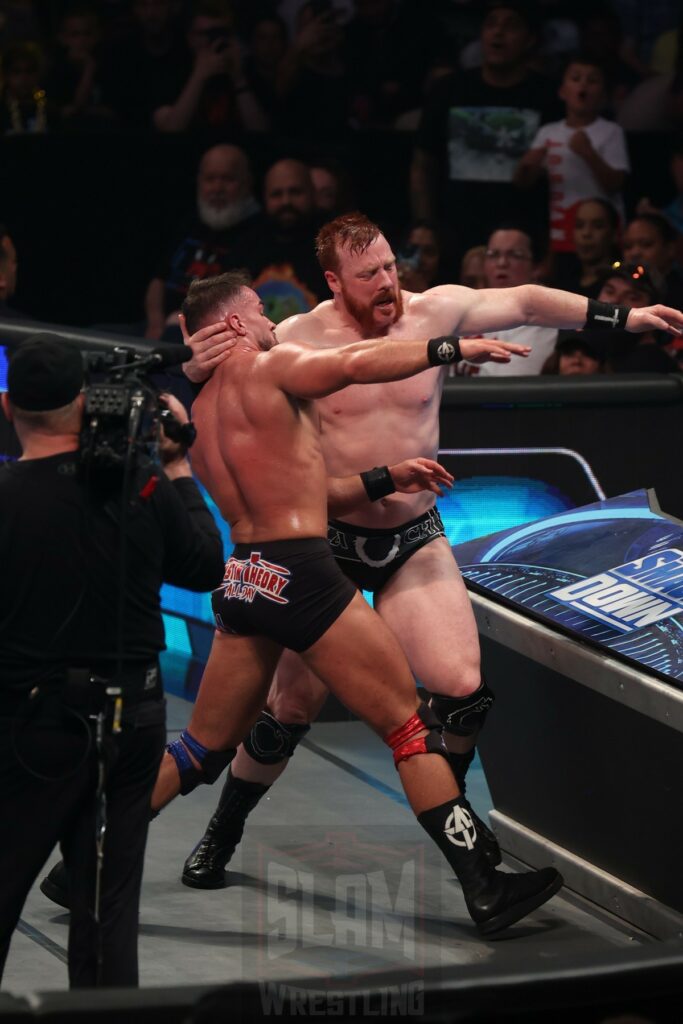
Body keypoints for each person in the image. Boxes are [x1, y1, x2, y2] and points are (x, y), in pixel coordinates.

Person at [175, 213, 683, 895]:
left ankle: (464, 836)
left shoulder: (435, 310)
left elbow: (530, 301)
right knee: (289, 709)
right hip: (321, 544)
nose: (387, 284)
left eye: (390, 266)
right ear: (333, 281)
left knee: (462, 690)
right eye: (368, 276)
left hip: (411, 534)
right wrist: (189, 365)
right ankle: (220, 836)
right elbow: (214, 389)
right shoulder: (293, 339)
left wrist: (626, 318)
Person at [153, 269, 565, 937]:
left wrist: (384, 477)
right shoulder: (273, 366)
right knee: (406, 726)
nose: (268, 320)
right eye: (257, 311)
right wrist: (447, 348)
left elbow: (300, 486)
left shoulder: (197, 411)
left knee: (200, 746)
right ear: (231, 324)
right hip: (305, 572)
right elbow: (351, 362)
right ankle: (484, 887)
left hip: (245, 578)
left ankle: (91, 856)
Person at [0, 334, 224, 987]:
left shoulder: (8, 497)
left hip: (30, 730)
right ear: (82, 402)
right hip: (132, 720)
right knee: (107, 909)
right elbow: (205, 565)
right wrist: (178, 467)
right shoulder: (146, 484)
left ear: (10, 405)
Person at [411, 1, 559, 257]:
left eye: (510, 25)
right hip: (454, 234)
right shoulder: (449, 90)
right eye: (491, 24)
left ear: (530, 39)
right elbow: (423, 164)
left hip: (523, 237)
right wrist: (426, 225)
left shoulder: (548, 96)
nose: (498, 32)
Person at [514, 54, 629, 257]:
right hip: (563, 232)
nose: (583, 85)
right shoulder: (548, 132)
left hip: (603, 234)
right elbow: (522, 182)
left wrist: (588, 153)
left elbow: (616, 183)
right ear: (562, 90)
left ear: (603, 94)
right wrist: (527, 165)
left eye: (592, 80)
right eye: (576, 78)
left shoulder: (611, 131)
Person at [144, 143, 262, 340]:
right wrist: (155, 323)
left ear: (247, 183)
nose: (217, 188)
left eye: (227, 179)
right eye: (210, 179)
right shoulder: (191, 221)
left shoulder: (259, 232)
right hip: (160, 328)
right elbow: (159, 279)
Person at [459, 224, 558, 376]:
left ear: (536, 268)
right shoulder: (467, 308)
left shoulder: (543, 315)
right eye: (493, 254)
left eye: (515, 255)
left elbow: (511, 384)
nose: (502, 263)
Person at [238, 158, 328, 324]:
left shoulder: (334, 245)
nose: (286, 201)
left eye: (295, 192)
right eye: (276, 194)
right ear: (264, 199)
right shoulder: (245, 244)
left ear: (313, 193)